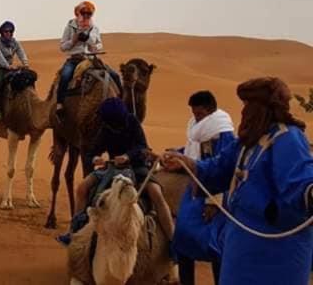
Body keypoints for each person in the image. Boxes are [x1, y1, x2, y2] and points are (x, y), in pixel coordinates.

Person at [163, 77, 313, 285]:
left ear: (264, 108)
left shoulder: (287, 139)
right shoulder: (247, 142)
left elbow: (300, 184)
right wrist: (187, 162)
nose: (243, 112)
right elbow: (218, 168)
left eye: (248, 105)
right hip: (241, 245)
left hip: (274, 252)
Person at [58, 97, 175, 247]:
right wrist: (96, 158)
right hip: (112, 169)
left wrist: (127, 156)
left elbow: (142, 146)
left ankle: (172, 240)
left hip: (137, 167)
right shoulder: (106, 126)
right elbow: (92, 150)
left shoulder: (132, 122)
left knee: (156, 193)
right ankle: (73, 231)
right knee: (82, 188)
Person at [172, 91, 236, 285]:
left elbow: (224, 169)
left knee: (214, 245)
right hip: (194, 189)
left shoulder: (223, 133)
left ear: (210, 110)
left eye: (199, 113)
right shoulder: (197, 128)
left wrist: (213, 202)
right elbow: (193, 151)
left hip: (213, 196)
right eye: (194, 113)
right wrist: (175, 154)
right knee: (181, 238)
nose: (195, 117)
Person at [55, 1, 104, 115]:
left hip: (90, 59)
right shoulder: (70, 26)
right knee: (65, 76)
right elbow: (62, 47)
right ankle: (59, 103)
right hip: (74, 59)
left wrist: (94, 45)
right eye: (84, 12)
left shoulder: (94, 28)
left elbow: (99, 44)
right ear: (78, 13)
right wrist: (73, 41)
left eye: (89, 13)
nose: (86, 15)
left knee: (112, 75)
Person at [0, 20, 29, 121]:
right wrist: (8, 66)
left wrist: (25, 63)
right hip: (0, 68)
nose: (8, 33)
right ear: (2, 32)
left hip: (10, 69)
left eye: (10, 31)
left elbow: (21, 53)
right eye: (6, 31)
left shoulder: (15, 43)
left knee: (24, 79)